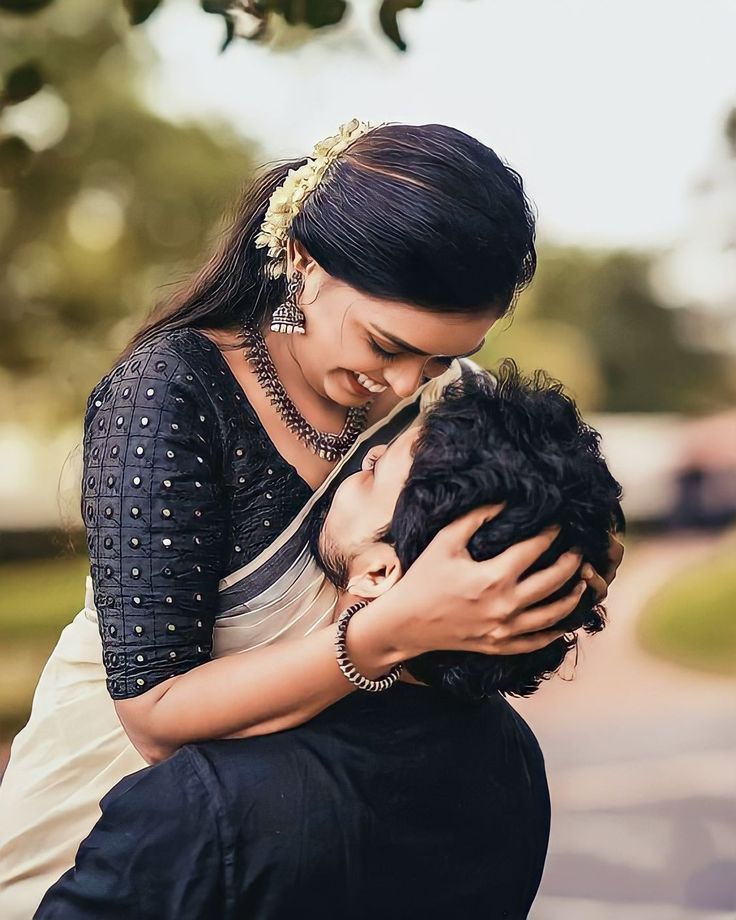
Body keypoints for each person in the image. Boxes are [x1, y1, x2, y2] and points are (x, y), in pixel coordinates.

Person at [0, 119, 622, 917]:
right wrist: (388, 630)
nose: (406, 385)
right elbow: (153, 719)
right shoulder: (171, 393)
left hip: (314, 828)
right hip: (126, 827)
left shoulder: (444, 406)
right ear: (303, 260)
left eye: (438, 358)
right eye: (386, 344)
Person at [35, 364, 623, 920]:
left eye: (374, 474)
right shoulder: (515, 761)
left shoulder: (203, 804)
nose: (363, 455)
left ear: (380, 574)